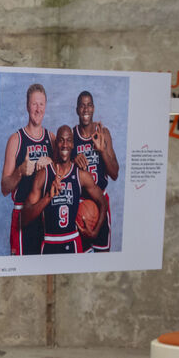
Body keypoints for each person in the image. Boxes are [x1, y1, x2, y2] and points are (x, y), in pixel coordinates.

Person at [21, 125, 105, 254]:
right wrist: (48, 197)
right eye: (61, 140)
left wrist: (95, 232)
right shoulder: (43, 175)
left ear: (73, 144)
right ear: (56, 144)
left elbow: (103, 202)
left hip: (73, 243)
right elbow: (24, 218)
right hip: (49, 243)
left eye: (68, 140)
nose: (65, 145)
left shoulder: (81, 176)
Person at [0, 83, 52, 256]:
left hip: (45, 214)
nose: (38, 109)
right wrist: (20, 171)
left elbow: (63, 175)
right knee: (22, 266)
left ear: (46, 106)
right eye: (34, 104)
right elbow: (4, 188)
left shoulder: (52, 139)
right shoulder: (16, 140)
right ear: (27, 106)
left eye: (41, 104)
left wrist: (52, 162)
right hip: (22, 214)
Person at [73, 90, 120, 252]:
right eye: (82, 105)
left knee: (102, 256)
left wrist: (102, 151)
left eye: (89, 105)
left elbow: (115, 174)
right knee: (80, 258)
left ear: (93, 108)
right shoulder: (71, 137)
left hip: (101, 204)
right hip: (80, 204)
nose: (86, 109)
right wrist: (72, 161)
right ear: (77, 110)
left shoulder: (103, 134)